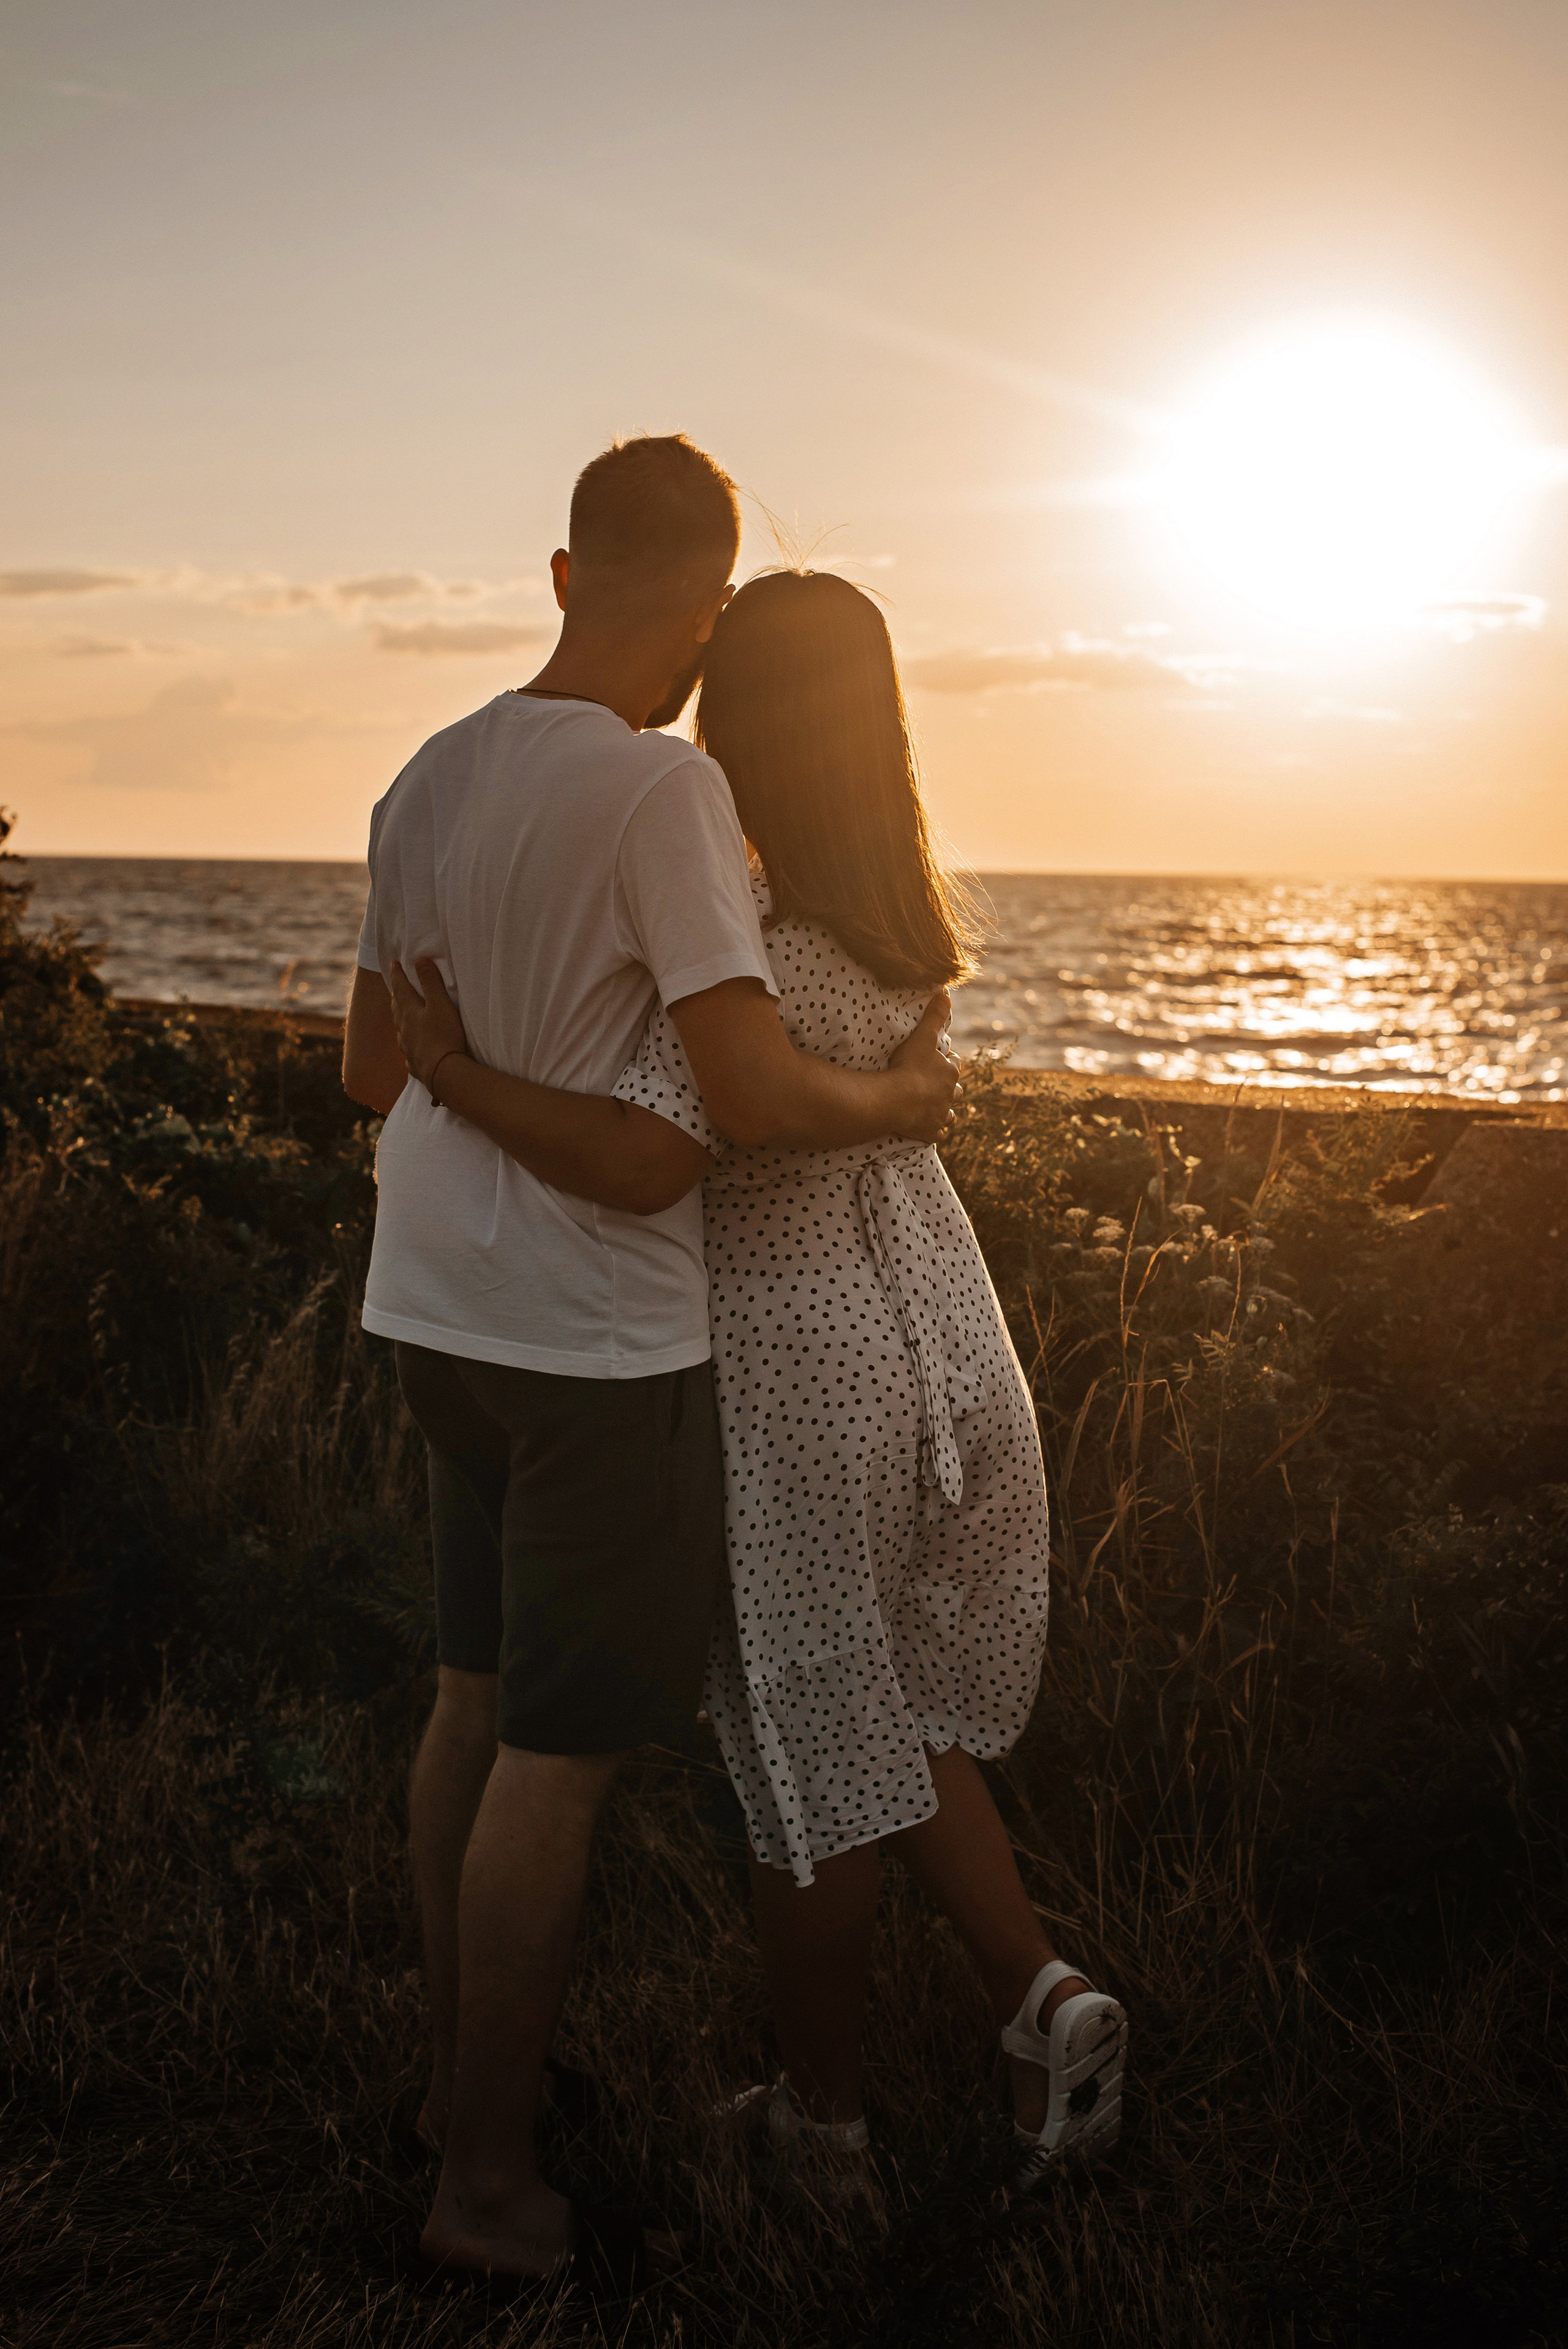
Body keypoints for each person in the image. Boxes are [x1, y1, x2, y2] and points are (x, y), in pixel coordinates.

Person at [386, 566, 1128, 2204]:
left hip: (801, 1372)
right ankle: (1045, 2000)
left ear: (747, 720)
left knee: (806, 1754)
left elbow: (650, 1148)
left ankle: (825, 2132)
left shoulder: (755, 942)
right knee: (883, 1707)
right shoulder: (900, 926)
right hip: (932, 1340)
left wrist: (451, 1069)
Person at [341, 442, 961, 2298]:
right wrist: (902, 1102)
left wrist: (466, 1068)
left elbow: (368, 1070)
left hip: (431, 1309)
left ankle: (458, 2092)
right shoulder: (667, 787)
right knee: (558, 1759)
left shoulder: (422, 772)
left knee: (468, 1708)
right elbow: (745, 1095)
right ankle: (487, 2180)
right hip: (591, 1337)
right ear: (708, 617)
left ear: (558, 572)